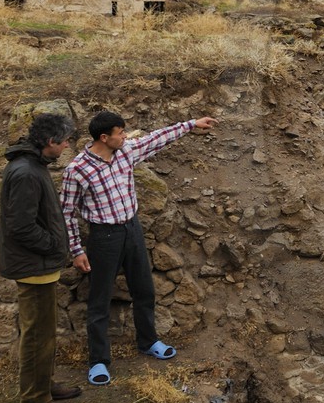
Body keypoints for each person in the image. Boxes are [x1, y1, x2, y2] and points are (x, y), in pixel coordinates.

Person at [61, 111, 216, 386]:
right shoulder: (77, 169)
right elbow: (66, 213)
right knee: (99, 299)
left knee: (144, 290)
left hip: (132, 229)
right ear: (104, 137)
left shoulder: (125, 152)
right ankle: (98, 361)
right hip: (103, 236)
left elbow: (157, 138)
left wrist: (191, 125)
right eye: (120, 133)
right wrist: (76, 250)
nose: (126, 136)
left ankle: (148, 341)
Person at [0, 113, 83, 403]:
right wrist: (54, 246)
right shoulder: (26, 173)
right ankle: (34, 400)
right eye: (63, 142)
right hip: (34, 266)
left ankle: (44, 385)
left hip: (39, 265)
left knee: (45, 333)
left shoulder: (34, 166)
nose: (65, 148)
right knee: (37, 335)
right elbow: (20, 226)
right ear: (50, 142)